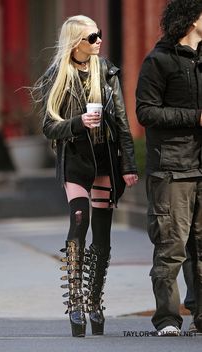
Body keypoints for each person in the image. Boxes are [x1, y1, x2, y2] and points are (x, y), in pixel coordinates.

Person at [36, 15, 138, 337]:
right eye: (92, 37)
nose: (98, 41)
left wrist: (130, 165)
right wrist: (79, 122)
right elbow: (49, 127)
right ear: (75, 42)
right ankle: (76, 303)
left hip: (105, 160)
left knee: (103, 237)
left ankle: (94, 301)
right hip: (76, 162)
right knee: (79, 222)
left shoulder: (106, 71)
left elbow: (122, 121)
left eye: (99, 35)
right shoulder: (57, 76)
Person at [136, 0, 202, 336]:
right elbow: (146, 112)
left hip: (200, 166)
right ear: (191, 20)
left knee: (201, 249)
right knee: (171, 248)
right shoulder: (158, 60)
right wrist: (194, 117)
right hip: (172, 170)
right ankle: (167, 319)